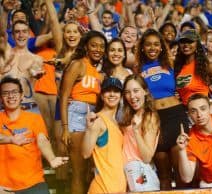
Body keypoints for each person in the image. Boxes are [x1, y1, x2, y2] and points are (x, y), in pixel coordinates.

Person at [136, 29, 190, 190]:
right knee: (163, 172)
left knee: (180, 169)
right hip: (154, 119)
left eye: (156, 44)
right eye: (148, 45)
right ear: (142, 48)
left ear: (161, 47)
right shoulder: (138, 67)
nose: (152, 48)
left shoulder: (171, 63)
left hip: (175, 116)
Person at [0, 76, 68, 193]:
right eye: (5, 93)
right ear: (1, 98)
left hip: (34, 183)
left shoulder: (34, 119)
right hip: (4, 187)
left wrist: (51, 158)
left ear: (22, 95)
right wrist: (10, 139)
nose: (11, 96)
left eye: (14, 92)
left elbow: (42, 140)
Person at [60, 30, 106, 194]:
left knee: (89, 172)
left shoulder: (100, 74)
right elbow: (64, 96)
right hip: (77, 117)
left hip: (94, 118)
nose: (98, 49)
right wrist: (65, 127)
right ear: (86, 46)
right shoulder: (78, 64)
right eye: (94, 45)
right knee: (79, 173)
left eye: (101, 46)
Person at [82, 77, 126, 194]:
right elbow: (86, 153)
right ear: (102, 96)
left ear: (121, 96)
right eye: (108, 91)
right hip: (102, 188)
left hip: (118, 187)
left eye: (116, 91)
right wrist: (88, 128)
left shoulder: (117, 123)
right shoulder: (98, 120)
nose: (112, 94)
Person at [120, 74, 160, 192]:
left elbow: (147, 157)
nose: (132, 96)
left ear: (145, 92)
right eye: (127, 92)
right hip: (128, 171)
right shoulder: (129, 116)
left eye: (136, 91)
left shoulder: (149, 116)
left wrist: (136, 131)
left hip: (140, 170)